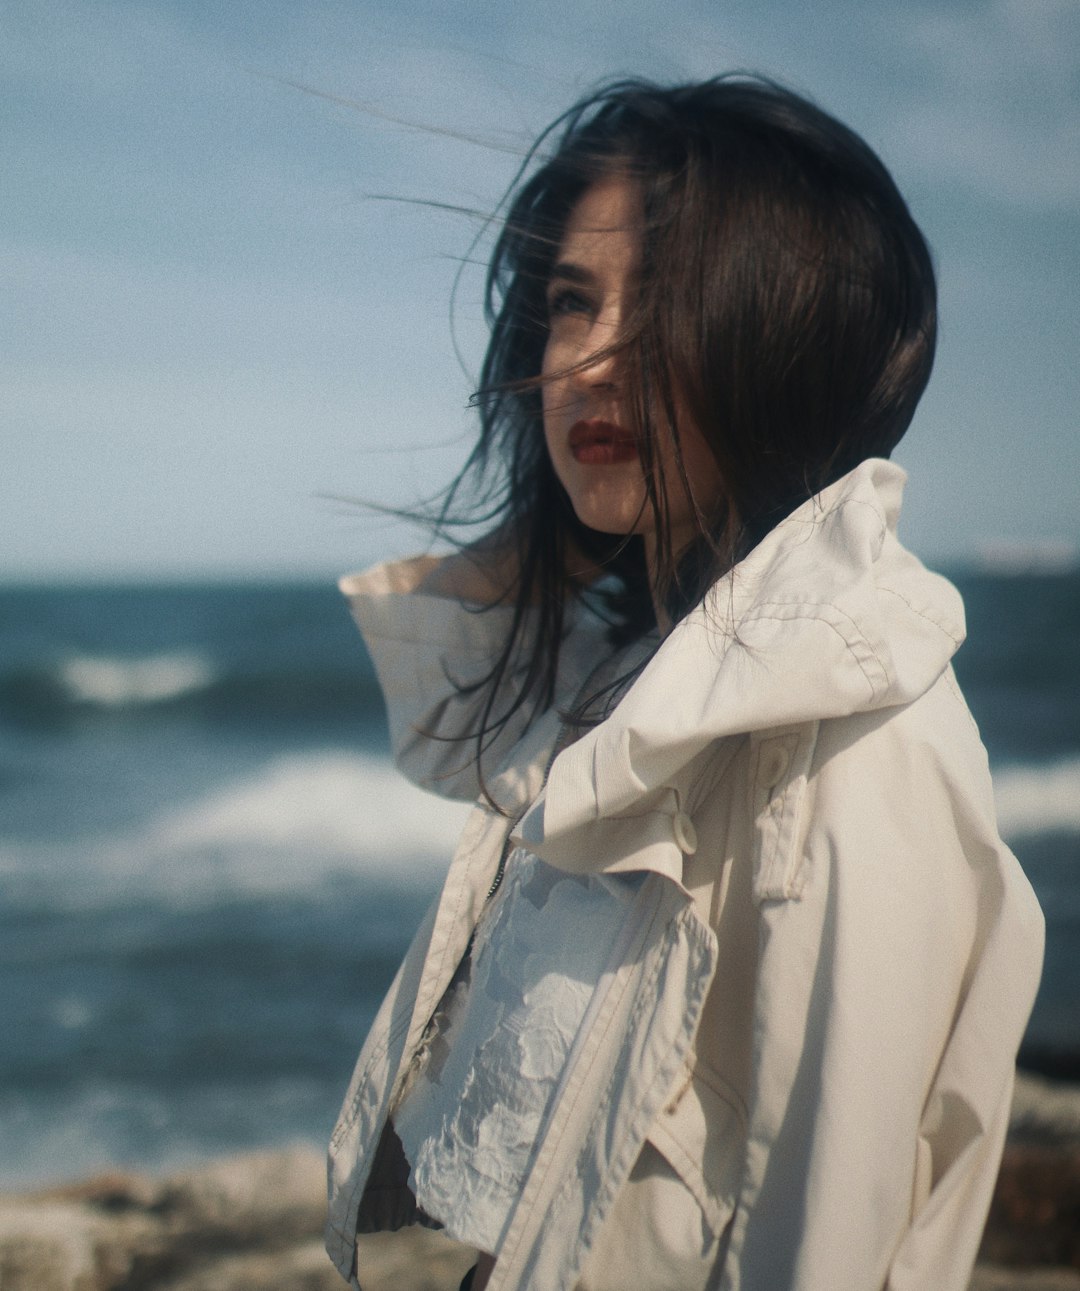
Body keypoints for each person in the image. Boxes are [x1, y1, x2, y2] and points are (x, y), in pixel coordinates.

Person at [325, 76, 1044, 1291]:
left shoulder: (854, 749)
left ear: (788, 341)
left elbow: (817, 1236)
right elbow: (449, 712)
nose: (589, 362)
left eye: (665, 309)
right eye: (570, 301)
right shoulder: (635, 672)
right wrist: (561, 541)